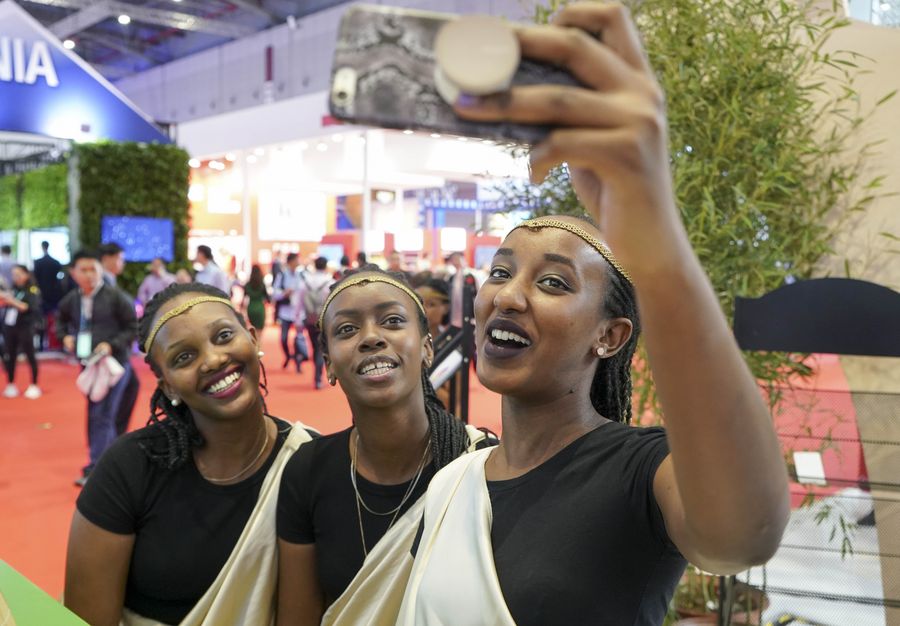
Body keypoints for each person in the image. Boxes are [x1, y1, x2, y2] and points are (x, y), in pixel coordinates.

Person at [396, 4, 790, 625]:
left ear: (610, 336)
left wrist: (657, 244)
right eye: (499, 272)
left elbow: (743, 535)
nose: (508, 296)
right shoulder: (453, 483)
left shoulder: (638, 470)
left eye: (553, 282)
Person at [64, 283, 315, 626]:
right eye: (183, 357)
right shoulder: (128, 469)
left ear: (253, 338)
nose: (213, 360)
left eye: (224, 336)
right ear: (167, 384)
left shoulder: (310, 460)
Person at [276, 266, 492, 625]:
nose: (371, 337)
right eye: (347, 329)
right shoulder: (307, 470)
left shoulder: (480, 463)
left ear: (427, 348)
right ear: (328, 365)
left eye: (392, 321)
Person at [57, 251, 138, 487]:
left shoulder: (115, 297)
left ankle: (100, 467)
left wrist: (112, 345)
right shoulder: (72, 299)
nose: (89, 274)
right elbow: (60, 320)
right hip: (88, 365)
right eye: (83, 270)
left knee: (104, 413)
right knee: (100, 412)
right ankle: (107, 464)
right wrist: (65, 337)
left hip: (114, 364)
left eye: (93, 269)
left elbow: (133, 326)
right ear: (73, 273)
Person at [100, 242, 141, 437]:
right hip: (109, 349)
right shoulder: (101, 284)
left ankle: (115, 438)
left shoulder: (110, 283)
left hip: (117, 347)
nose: (122, 263)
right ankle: (108, 443)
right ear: (107, 259)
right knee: (106, 405)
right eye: (120, 259)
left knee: (129, 389)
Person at [1, 265, 42, 399]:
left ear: (26, 275)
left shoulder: (32, 290)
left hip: (26, 326)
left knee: (30, 355)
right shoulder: (13, 289)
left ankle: (34, 384)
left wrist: (11, 301)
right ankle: (11, 383)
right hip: (10, 326)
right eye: (14, 275)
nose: (16, 277)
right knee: (10, 355)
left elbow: (27, 307)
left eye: (19, 274)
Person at [300, 257, 334, 389]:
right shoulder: (330, 282)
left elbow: (299, 301)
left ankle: (317, 375)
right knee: (321, 349)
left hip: (309, 319)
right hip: (324, 320)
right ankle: (318, 378)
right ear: (325, 266)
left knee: (315, 347)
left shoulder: (306, 281)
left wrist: (297, 318)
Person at [272, 253, 309, 372]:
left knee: (299, 338)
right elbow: (274, 293)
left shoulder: (302, 275)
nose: (298, 262)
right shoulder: (282, 275)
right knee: (283, 339)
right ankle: (288, 356)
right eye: (296, 260)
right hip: (285, 312)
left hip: (298, 312)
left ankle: (298, 362)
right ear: (290, 262)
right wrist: (284, 293)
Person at [33, 240, 63, 351]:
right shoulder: (55, 262)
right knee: (53, 319)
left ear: (42, 247)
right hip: (54, 295)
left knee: (41, 320)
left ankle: (42, 344)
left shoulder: (38, 262)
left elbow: (35, 279)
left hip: (42, 295)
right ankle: (54, 343)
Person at [242, 264, 270, 333]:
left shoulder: (247, 285)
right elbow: (268, 299)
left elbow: (243, 299)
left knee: (253, 330)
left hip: (251, 308)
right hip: (260, 308)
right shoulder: (262, 285)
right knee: (259, 332)